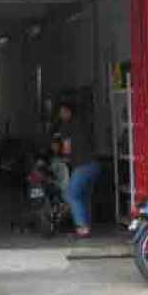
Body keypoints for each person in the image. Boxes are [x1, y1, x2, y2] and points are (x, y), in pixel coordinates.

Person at [55, 102, 100, 238]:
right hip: (95, 165)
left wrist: (63, 156)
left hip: (82, 165)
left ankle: (82, 228)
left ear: (68, 112)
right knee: (84, 197)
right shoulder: (84, 123)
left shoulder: (66, 126)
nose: (60, 115)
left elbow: (67, 149)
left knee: (71, 195)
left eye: (62, 112)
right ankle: (87, 227)